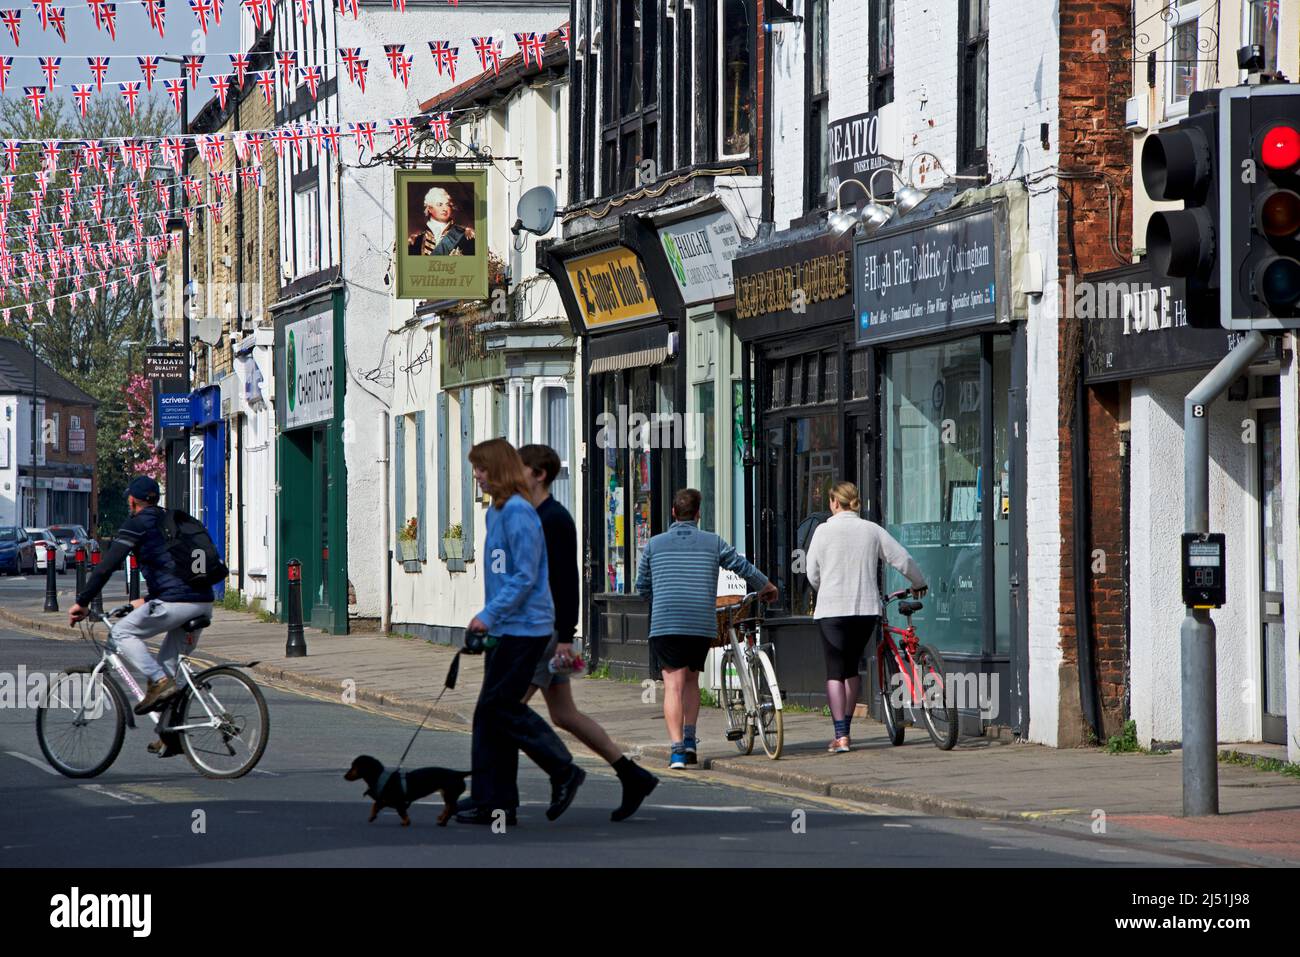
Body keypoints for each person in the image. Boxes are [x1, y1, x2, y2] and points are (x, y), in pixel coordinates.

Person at [518, 444, 659, 822]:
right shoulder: (536, 516)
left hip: (546, 632)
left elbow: (566, 581)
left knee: (505, 710)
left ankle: (561, 773)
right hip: (546, 629)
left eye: (521, 470)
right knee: (564, 714)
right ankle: (632, 774)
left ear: (539, 474)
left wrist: (566, 635)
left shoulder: (553, 519)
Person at [457, 438, 584, 826]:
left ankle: (563, 768)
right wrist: (491, 619)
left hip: (527, 628)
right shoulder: (494, 513)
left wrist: (488, 614)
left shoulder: (519, 514)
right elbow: (500, 575)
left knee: (501, 708)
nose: (476, 475)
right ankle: (494, 801)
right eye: (474, 468)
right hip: (504, 626)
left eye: (481, 468)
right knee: (489, 714)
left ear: (498, 469)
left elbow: (526, 576)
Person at [67, 476, 215, 754]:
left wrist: (83, 602)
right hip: (203, 601)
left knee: (121, 633)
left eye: (129, 500)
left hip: (175, 603)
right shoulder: (175, 520)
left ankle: (158, 682)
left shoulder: (138, 524)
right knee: (168, 663)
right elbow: (175, 568)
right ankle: (170, 734)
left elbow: (105, 567)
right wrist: (145, 601)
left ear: (133, 501)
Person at [636, 488, 777, 770]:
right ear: (698, 514)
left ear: (674, 512)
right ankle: (690, 741)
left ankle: (677, 752)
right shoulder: (713, 543)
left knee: (672, 686)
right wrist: (766, 585)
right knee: (690, 681)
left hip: (666, 623)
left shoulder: (653, 545)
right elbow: (741, 566)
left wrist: (663, 596)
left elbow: (642, 587)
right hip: (700, 623)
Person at [805, 481, 928, 753]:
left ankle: (841, 735)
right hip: (865, 610)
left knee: (835, 671)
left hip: (832, 611)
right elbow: (901, 558)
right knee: (852, 669)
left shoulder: (823, 531)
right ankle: (845, 729)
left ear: (835, 503)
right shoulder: (871, 530)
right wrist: (918, 581)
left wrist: (823, 588)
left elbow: (811, 572)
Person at [408, 186, 475, 256]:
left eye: (448, 205)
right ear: (429, 209)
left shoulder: (466, 236)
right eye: (440, 204)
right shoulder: (415, 241)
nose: (445, 208)